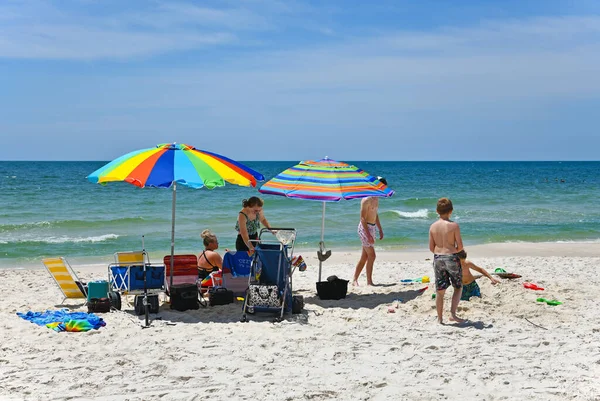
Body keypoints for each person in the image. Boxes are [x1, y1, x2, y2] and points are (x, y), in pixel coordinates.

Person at [429, 197, 465, 324]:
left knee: (440, 290)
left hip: (438, 258)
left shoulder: (433, 226)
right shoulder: (454, 226)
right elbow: (460, 246)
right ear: (451, 210)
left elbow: (431, 247)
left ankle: (439, 318)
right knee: (458, 286)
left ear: (437, 211)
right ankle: (453, 314)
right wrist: (452, 249)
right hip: (451, 257)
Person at [352, 177, 387, 286]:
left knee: (364, 257)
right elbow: (362, 218)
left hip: (372, 228)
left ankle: (355, 280)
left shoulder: (377, 199)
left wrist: (380, 229)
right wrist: (368, 235)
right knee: (372, 255)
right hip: (364, 228)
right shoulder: (366, 199)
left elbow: (375, 215)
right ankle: (369, 282)